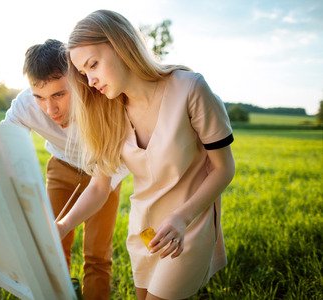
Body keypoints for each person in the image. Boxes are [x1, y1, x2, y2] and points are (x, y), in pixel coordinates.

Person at [57, 10, 236, 300]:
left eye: (93, 65)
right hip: (144, 230)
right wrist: (62, 227)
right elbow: (101, 186)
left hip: (188, 225)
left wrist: (181, 218)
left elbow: (223, 168)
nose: (90, 81)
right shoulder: (110, 111)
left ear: (121, 44)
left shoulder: (189, 88)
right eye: (84, 73)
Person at [2, 39, 125, 300]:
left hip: (104, 175)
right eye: (40, 97)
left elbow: (101, 186)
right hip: (61, 166)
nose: (50, 109)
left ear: (77, 78)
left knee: (97, 254)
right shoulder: (24, 104)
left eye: (59, 94)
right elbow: (2, 149)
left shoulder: (104, 103)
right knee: (53, 244)